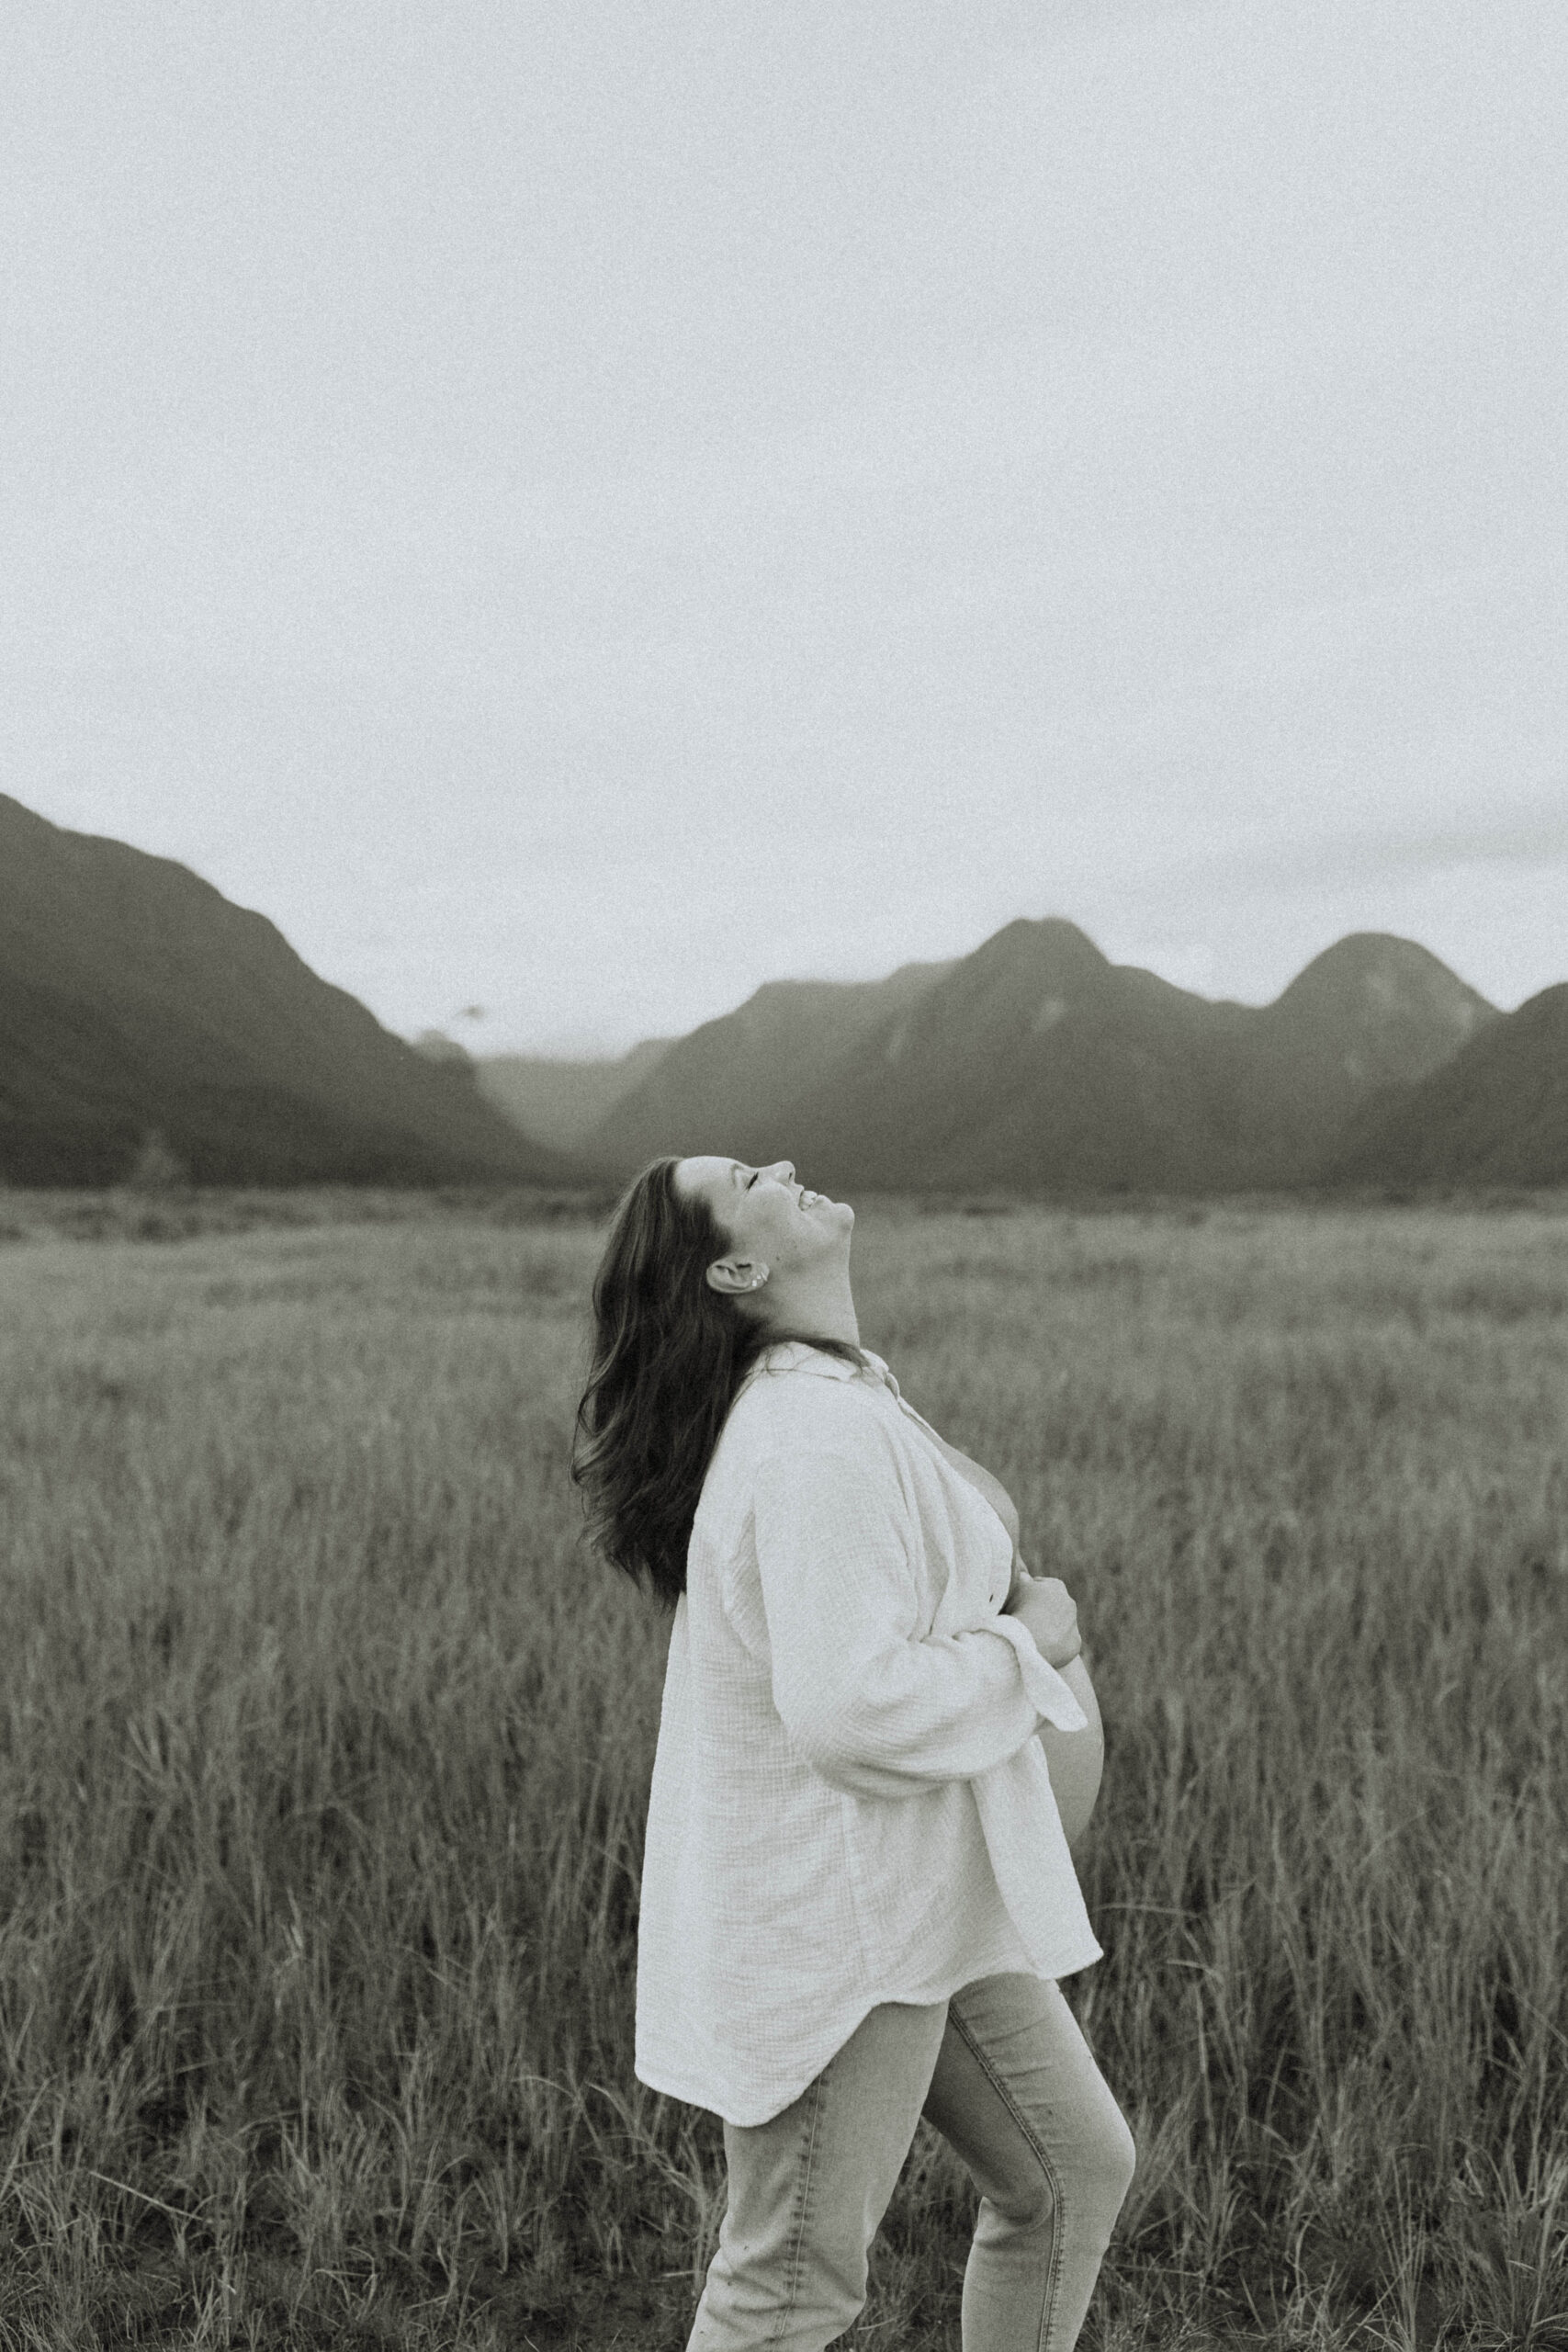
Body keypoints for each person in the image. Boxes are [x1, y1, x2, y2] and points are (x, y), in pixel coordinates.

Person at [572, 1155, 1135, 2352]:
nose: (784, 1164)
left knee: (1070, 2170)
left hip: (931, 1900)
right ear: (736, 1267)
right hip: (844, 1928)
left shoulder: (837, 1398)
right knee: (787, 2291)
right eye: (748, 1177)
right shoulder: (809, 1432)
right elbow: (850, 1710)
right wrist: (1032, 1645)